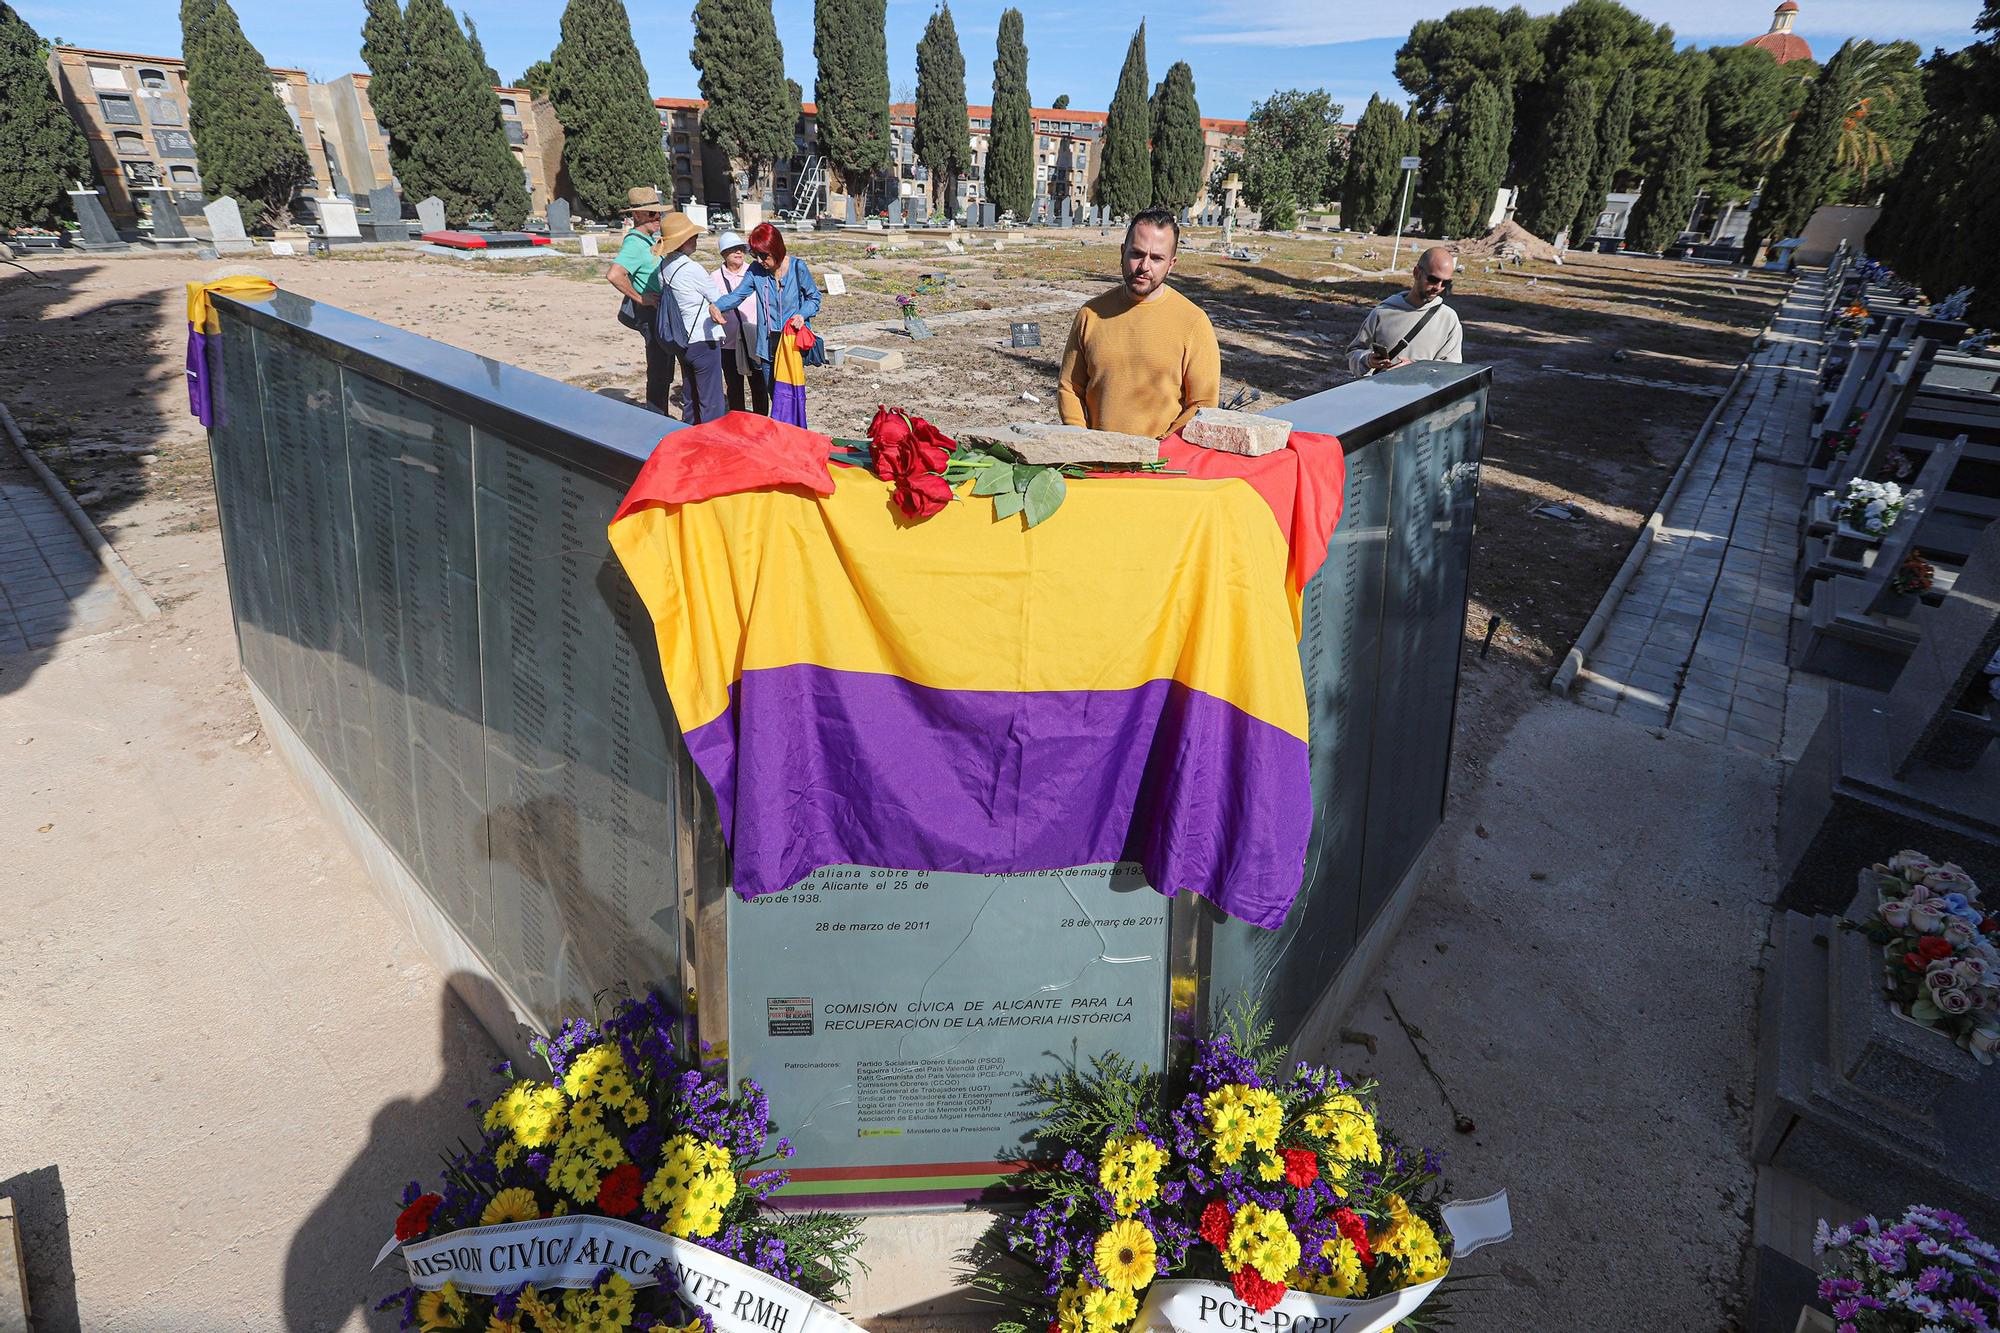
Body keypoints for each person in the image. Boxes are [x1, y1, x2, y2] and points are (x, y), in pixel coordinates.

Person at [1057, 207, 1219, 439]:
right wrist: (1081, 439)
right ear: (1122, 252)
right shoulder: (1091, 314)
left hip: (1159, 465)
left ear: (1171, 264)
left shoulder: (1193, 322)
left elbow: (1203, 404)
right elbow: (1070, 388)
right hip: (1095, 460)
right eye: (1136, 254)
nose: (1144, 266)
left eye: (1156, 258)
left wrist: (1162, 449)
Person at [709, 222, 822, 427]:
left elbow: (814, 298)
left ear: (776, 249)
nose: (760, 261)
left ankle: (795, 433)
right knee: (775, 395)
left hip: (791, 344)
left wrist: (802, 314)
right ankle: (779, 434)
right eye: (756, 256)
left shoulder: (798, 268)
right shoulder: (755, 271)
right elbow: (737, 296)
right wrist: (716, 305)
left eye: (765, 256)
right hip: (767, 344)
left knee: (792, 393)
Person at [651, 212, 726, 425]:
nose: (696, 240)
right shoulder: (691, 268)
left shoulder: (663, 268)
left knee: (691, 396)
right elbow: (718, 299)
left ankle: (690, 439)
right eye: (693, 236)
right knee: (711, 400)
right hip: (703, 339)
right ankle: (712, 445)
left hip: (682, 340)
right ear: (683, 241)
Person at [1344, 247, 1462, 376]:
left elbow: (1452, 370)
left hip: (1423, 396)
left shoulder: (1449, 320)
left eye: (1446, 282)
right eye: (1433, 280)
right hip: (1379, 394)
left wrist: (1416, 369)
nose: (1438, 287)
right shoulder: (1382, 312)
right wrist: (1367, 360)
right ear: (1416, 272)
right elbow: (1354, 353)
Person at [606, 186, 672, 413]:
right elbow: (614, 274)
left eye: (659, 213)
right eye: (652, 214)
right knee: (659, 370)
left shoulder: (648, 240)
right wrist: (640, 298)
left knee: (664, 368)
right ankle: (656, 417)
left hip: (659, 311)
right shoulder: (635, 243)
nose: (657, 218)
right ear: (636, 216)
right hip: (651, 313)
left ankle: (659, 414)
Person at [710, 231, 770, 415]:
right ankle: (737, 421)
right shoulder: (714, 277)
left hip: (754, 339)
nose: (738, 252)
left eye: (741, 249)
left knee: (759, 385)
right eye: (733, 249)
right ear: (723, 253)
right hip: (728, 342)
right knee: (734, 386)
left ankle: (761, 421)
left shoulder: (755, 272)